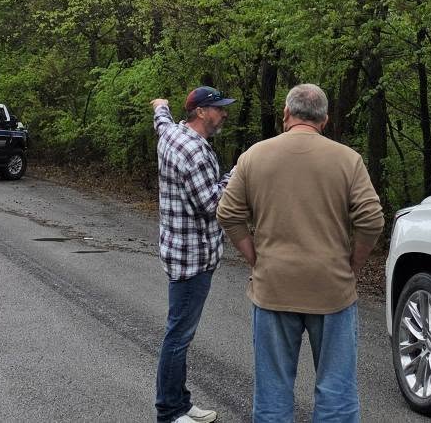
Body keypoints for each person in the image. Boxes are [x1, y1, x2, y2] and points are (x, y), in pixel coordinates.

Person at [217, 83, 385, 423]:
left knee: (273, 394)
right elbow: (372, 220)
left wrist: (255, 258)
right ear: (324, 120)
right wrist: (353, 266)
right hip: (332, 288)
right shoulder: (347, 159)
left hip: (273, 287)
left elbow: (228, 214)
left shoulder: (254, 156)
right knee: (336, 394)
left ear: (286, 114)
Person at [152, 87, 236, 423]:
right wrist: (237, 173)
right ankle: (170, 411)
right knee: (178, 337)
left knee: (180, 333)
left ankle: (180, 402)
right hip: (192, 260)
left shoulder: (172, 134)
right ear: (201, 112)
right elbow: (212, 205)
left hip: (178, 250)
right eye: (218, 108)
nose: (224, 113)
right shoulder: (195, 152)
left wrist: (160, 105)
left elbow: (161, 120)